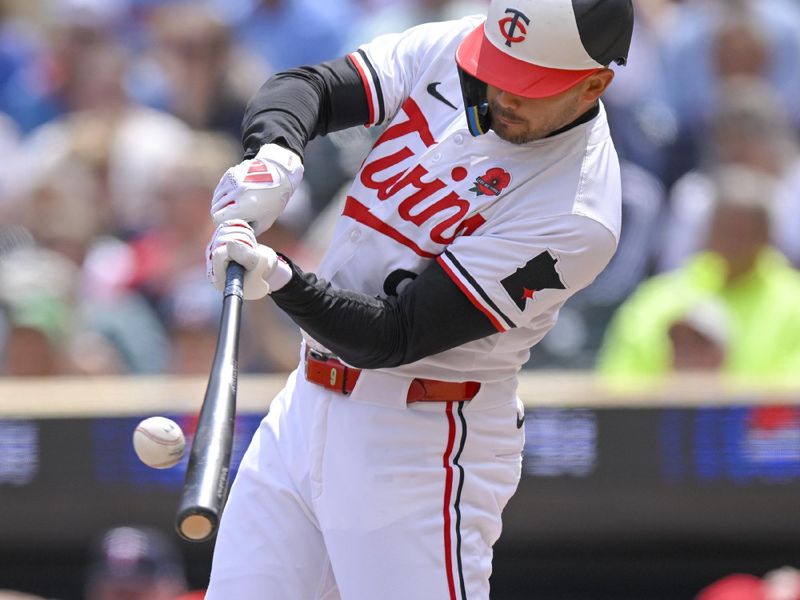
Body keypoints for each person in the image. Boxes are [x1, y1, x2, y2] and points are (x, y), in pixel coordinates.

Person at [203, 0, 634, 598]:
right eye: (498, 66)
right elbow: (311, 88)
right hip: (305, 405)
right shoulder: (454, 49)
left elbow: (395, 336)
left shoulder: (577, 212)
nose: (503, 92)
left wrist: (280, 279)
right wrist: (274, 155)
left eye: (528, 85)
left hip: (421, 439)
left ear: (593, 85)